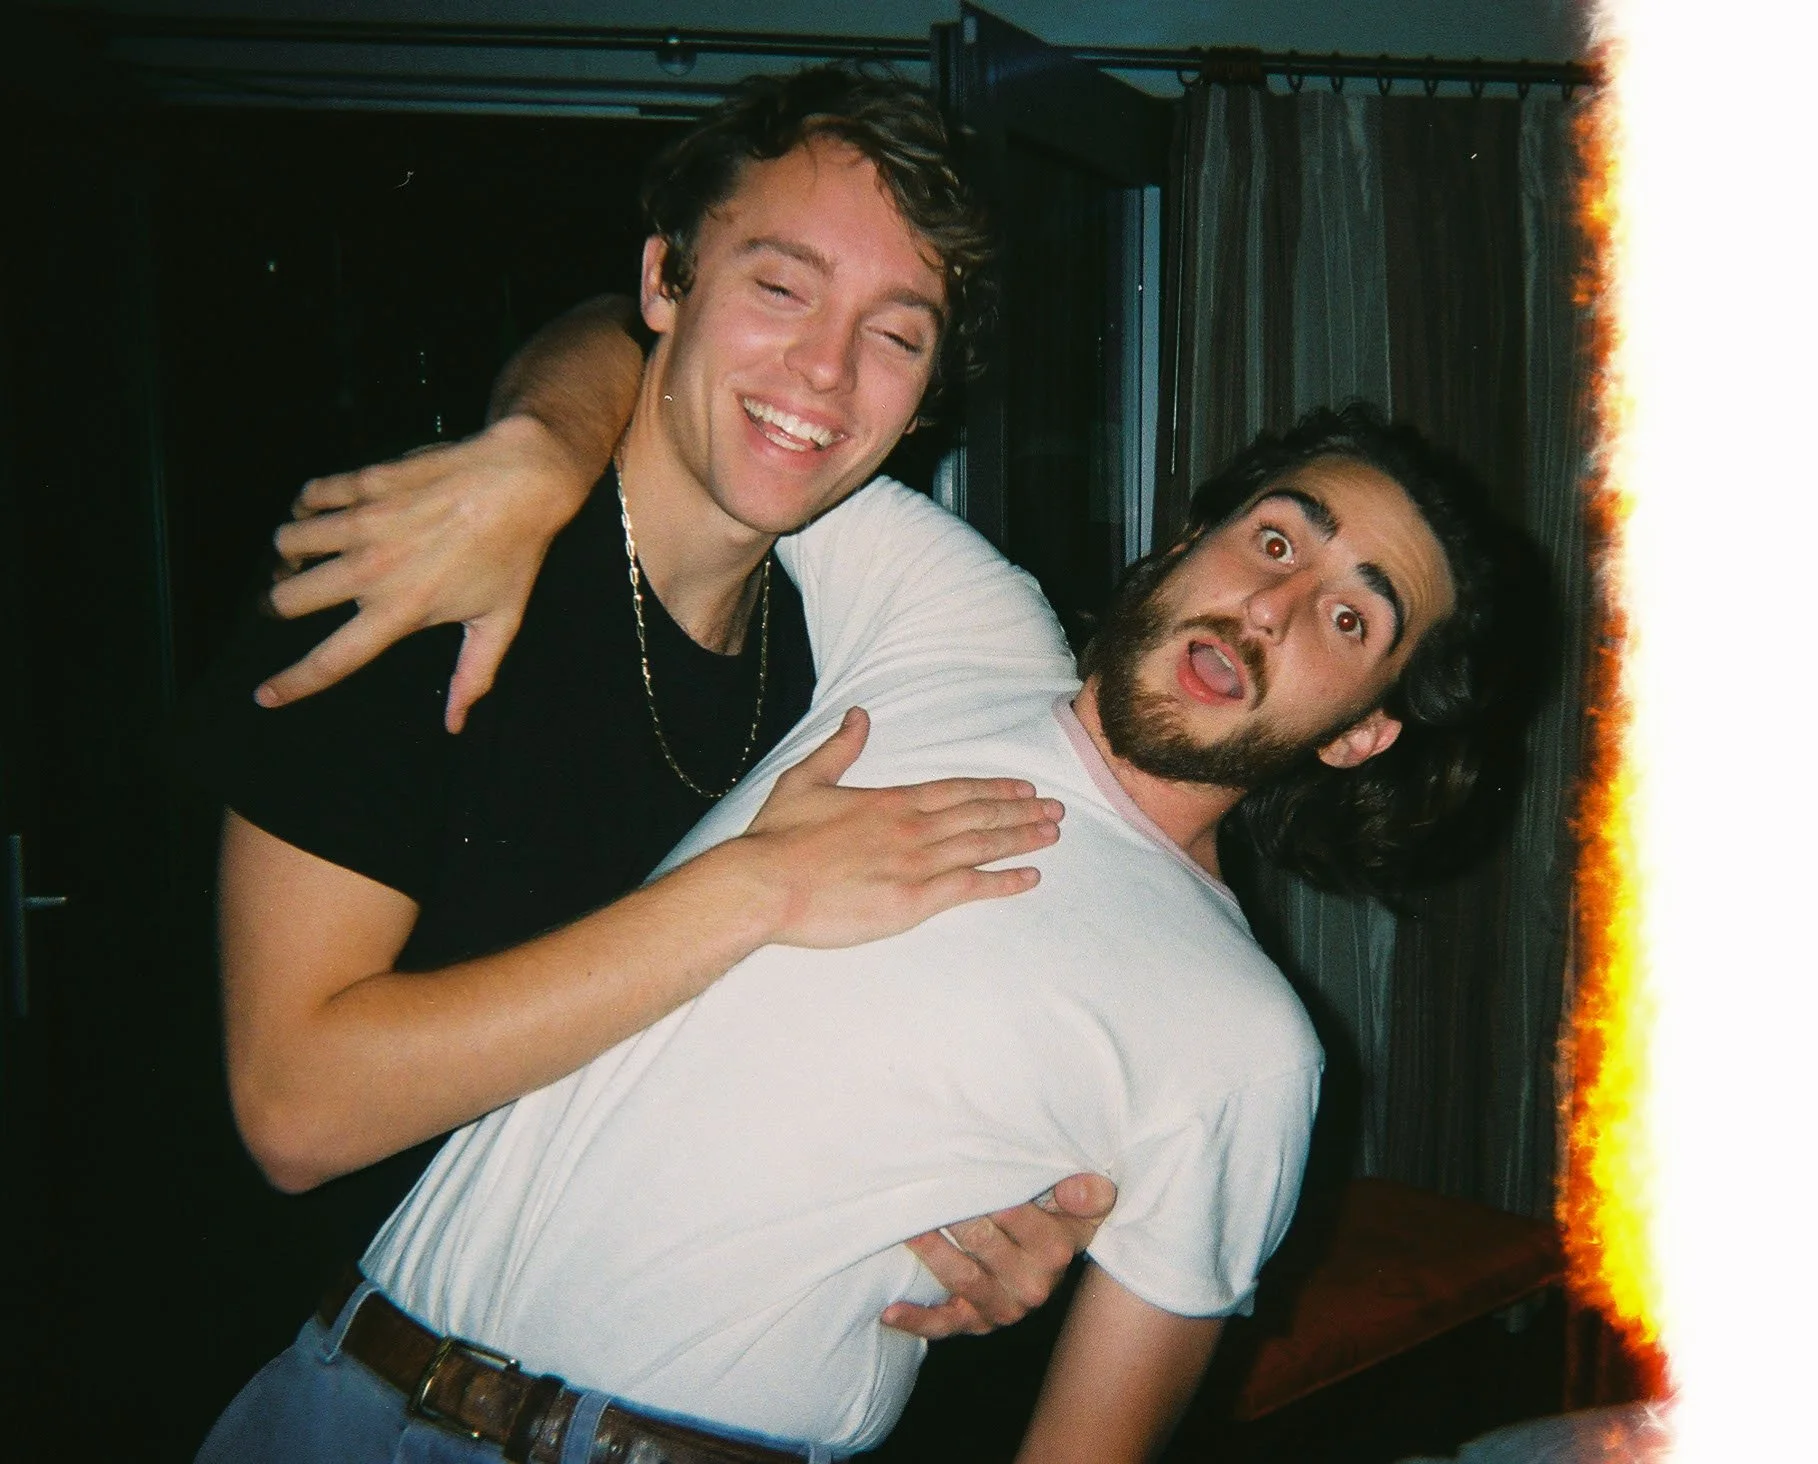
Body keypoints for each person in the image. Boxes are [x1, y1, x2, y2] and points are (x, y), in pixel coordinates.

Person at [201, 400, 1501, 1463]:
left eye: (1349, 617)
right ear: (1191, 541)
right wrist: (539, 442)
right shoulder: (959, 621)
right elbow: (687, 378)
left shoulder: (1249, 1044)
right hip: (328, 1389)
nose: (1272, 609)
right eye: (1278, 541)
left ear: (1362, 730)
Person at [180, 65, 1118, 1376]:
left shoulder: (839, 661)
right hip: (389, 1397)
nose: (827, 370)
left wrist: (962, 1216)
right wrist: (756, 889)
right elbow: (294, 1107)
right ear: (666, 284)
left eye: (897, 333)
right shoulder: (430, 569)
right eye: (781, 287)